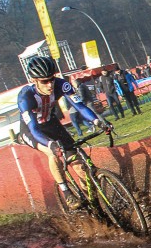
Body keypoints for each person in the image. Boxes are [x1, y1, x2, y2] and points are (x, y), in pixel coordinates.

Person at [17, 56, 113, 209]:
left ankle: (92, 202)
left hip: (51, 123)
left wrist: (97, 121)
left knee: (81, 167)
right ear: (34, 80)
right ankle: (66, 192)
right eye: (44, 81)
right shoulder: (25, 97)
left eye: (51, 79)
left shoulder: (61, 85)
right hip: (31, 131)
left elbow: (80, 106)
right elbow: (34, 129)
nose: (50, 84)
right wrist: (51, 144)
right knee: (53, 153)